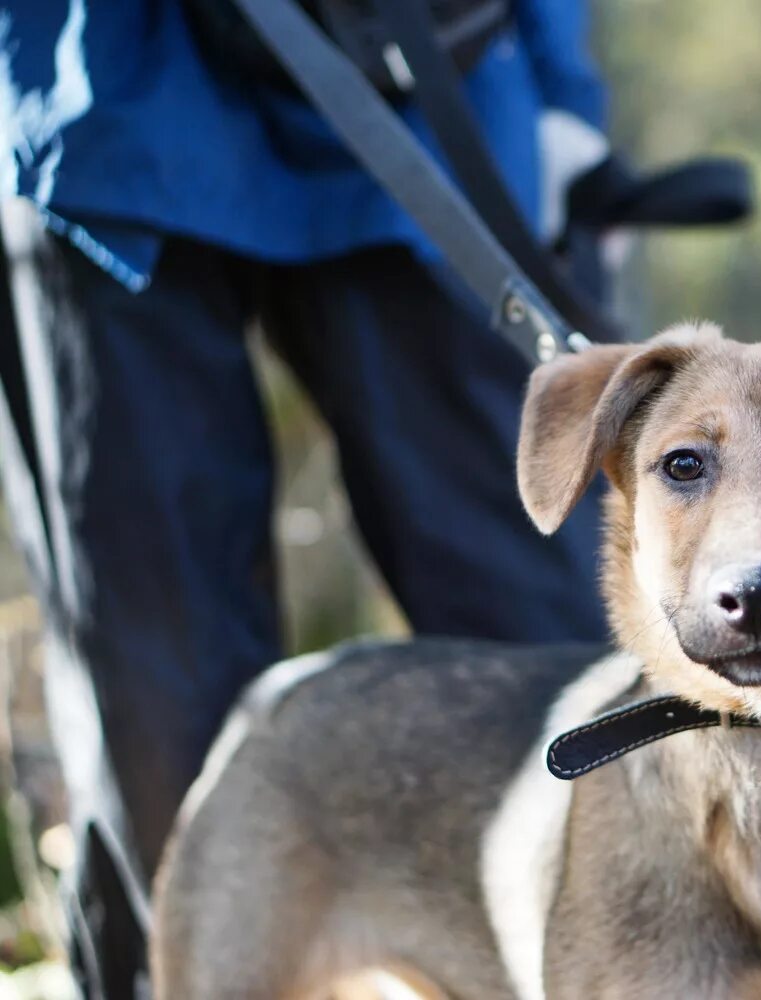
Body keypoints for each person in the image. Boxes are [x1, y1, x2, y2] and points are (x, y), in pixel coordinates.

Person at [0, 1, 614, 994]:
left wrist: (564, 97)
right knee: (157, 694)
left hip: (421, 95)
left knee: (548, 641)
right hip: (100, 98)